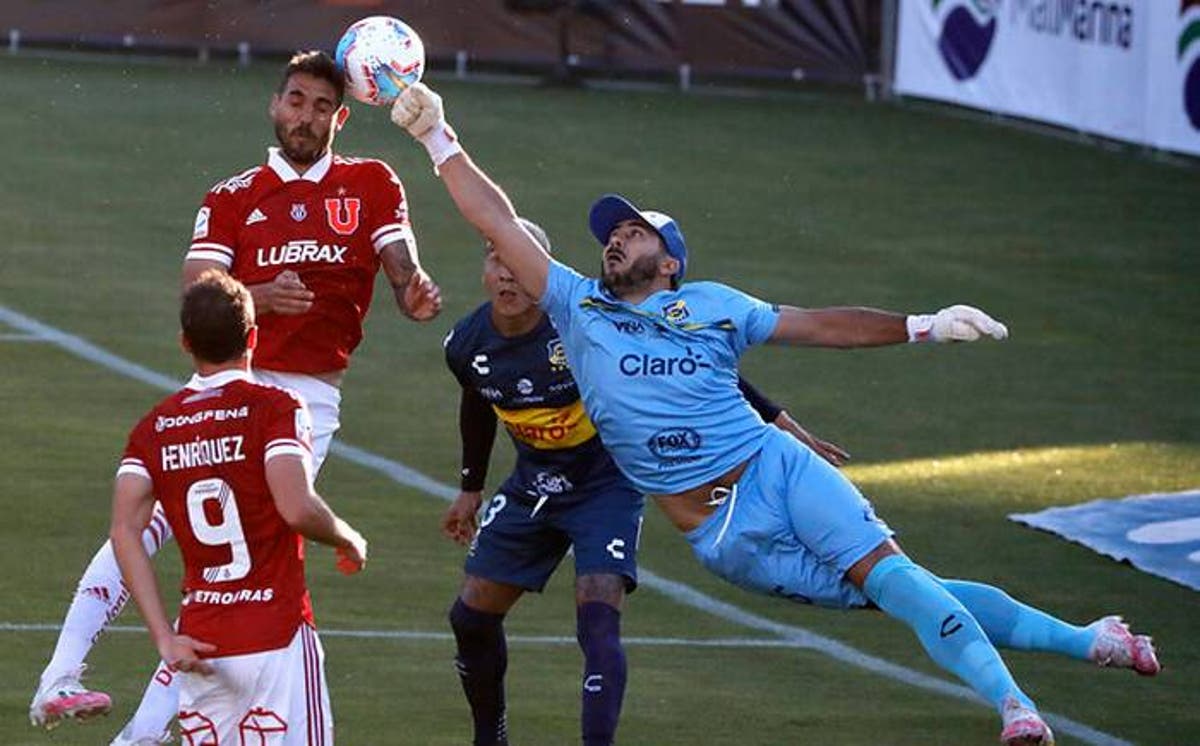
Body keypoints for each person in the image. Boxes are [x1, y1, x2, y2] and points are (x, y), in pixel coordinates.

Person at [390, 82, 1161, 746]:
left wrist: (923, 324)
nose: (616, 240)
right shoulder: (575, 303)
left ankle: (1016, 709)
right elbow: (495, 217)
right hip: (723, 540)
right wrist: (435, 134)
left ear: (672, 261)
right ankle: (1093, 641)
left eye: (633, 233)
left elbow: (821, 324)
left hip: (776, 469)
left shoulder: (715, 305)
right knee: (911, 588)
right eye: (612, 234)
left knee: (895, 581)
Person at [30, 50, 440, 743]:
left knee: (230, 573)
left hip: (304, 401)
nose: (304, 116)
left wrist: (416, 289)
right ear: (274, 105)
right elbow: (198, 292)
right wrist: (261, 299)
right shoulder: (232, 195)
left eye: (319, 106)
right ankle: (61, 678)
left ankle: (141, 731)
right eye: (295, 100)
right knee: (149, 523)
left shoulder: (371, 182)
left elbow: (402, 267)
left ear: (341, 116)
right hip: (224, 379)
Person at [442, 219, 847, 746]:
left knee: (597, 614)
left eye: (518, 263)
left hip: (608, 479)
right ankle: (488, 738)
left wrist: (780, 420)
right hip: (536, 482)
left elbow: (695, 361)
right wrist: (471, 485)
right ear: (486, 269)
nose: (508, 275)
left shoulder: (584, 320)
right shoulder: (466, 342)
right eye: (498, 261)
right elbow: (478, 398)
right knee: (470, 615)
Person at [109, 270, 367, 744]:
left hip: (202, 641)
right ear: (253, 335)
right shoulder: (277, 407)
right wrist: (347, 537)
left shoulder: (154, 428)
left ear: (185, 343)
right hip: (278, 637)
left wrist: (165, 636)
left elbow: (125, 530)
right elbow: (296, 507)